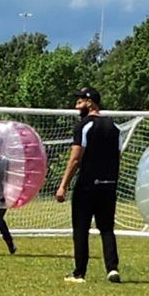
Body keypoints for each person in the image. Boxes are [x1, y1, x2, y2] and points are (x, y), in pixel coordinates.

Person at [55, 86, 122, 283]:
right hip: (109, 185)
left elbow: (75, 159)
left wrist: (63, 185)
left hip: (87, 186)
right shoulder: (114, 128)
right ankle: (112, 268)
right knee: (107, 228)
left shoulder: (84, 126)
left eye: (79, 102)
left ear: (90, 102)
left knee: (81, 228)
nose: (76, 107)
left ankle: (79, 272)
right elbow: (118, 156)